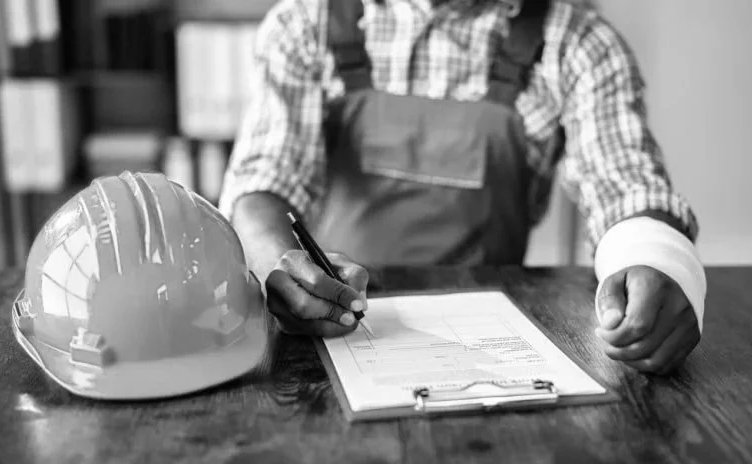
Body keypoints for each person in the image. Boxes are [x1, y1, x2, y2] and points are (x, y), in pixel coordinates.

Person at [218, 0, 706, 375]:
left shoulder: (577, 42)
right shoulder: (306, 24)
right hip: (337, 341)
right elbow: (263, 184)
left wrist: (657, 260)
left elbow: (625, 186)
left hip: (494, 349)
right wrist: (282, 272)